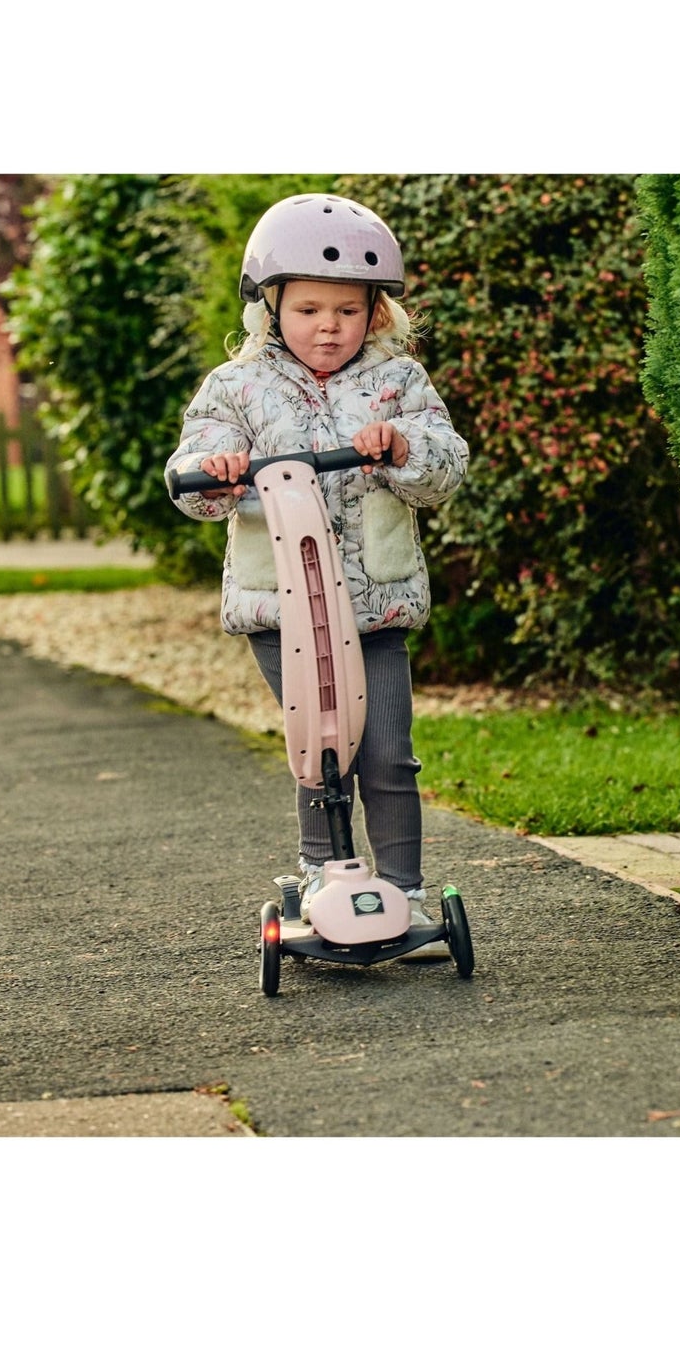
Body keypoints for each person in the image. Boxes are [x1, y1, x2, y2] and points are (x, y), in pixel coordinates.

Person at [165, 193, 468, 956]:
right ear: (270, 308)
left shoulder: (397, 382)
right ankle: (320, 874)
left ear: (376, 313)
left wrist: (399, 447)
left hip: (375, 607)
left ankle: (401, 890)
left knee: (387, 753)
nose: (327, 326)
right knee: (319, 748)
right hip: (284, 609)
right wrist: (219, 471)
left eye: (346, 309)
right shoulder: (235, 388)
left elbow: (444, 465)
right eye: (306, 308)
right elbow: (191, 479)